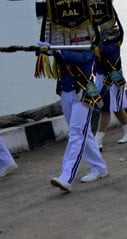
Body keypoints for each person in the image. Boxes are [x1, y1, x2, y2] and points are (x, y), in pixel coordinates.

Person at [37, 42, 109, 192]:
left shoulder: (88, 45)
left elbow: (82, 57)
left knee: (76, 133)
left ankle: (66, 177)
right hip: (66, 92)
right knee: (84, 133)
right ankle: (100, 167)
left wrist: (56, 50)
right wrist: (44, 50)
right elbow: (44, 56)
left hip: (83, 94)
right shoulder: (61, 45)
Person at [93, 34, 127, 151]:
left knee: (105, 105)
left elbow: (108, 51)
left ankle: (98, 139)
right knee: (113, 105)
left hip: (112, 73)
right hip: (101, 73)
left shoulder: (111, 37)